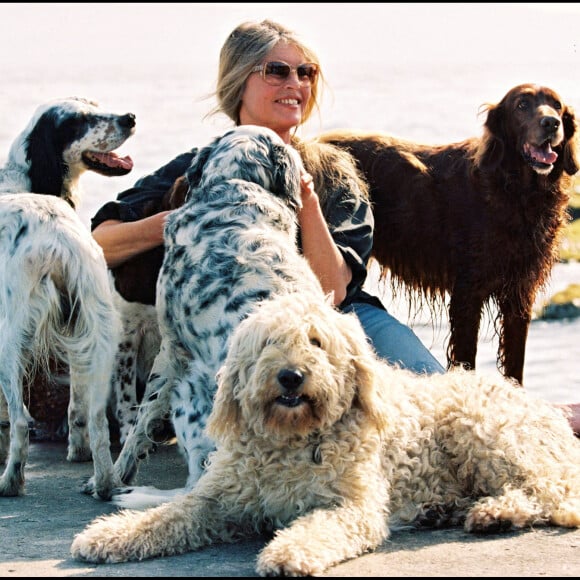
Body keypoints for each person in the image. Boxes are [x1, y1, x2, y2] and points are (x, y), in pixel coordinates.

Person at [91, 18, 579, 433]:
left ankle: (543, 416)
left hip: (347, 321)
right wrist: (189, 221)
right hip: (242, 330)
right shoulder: (199, 166)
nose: (295, 84)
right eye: (276, 71)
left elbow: (332, 291)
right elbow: (101, 243)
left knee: (448, 415)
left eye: (306, 73)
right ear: (239, 82)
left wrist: (304, 194)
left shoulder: (335, 173)